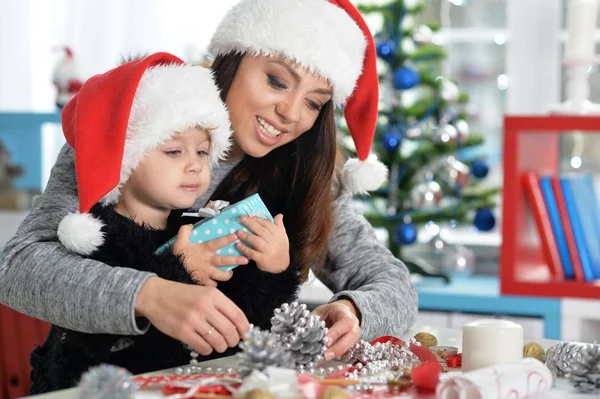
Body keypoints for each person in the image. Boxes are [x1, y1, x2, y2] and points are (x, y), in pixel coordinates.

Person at [0, 0, 418, 371]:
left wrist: (354, 311)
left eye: (314, 102)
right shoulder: (137, 118)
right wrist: (151, 295)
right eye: (276, 80)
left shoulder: (301, 174)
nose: (291, 113)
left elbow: (393, 285)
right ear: (232, 59)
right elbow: (17, 268)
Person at [29, 52, 295, 393]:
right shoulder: (96, 235)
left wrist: (272, 268)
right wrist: (178, 272)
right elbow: (97, 339)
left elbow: (245, 322)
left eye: (202, 152)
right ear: (127, 157)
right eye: (173, 152)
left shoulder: (198, 226)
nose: (196, 166)